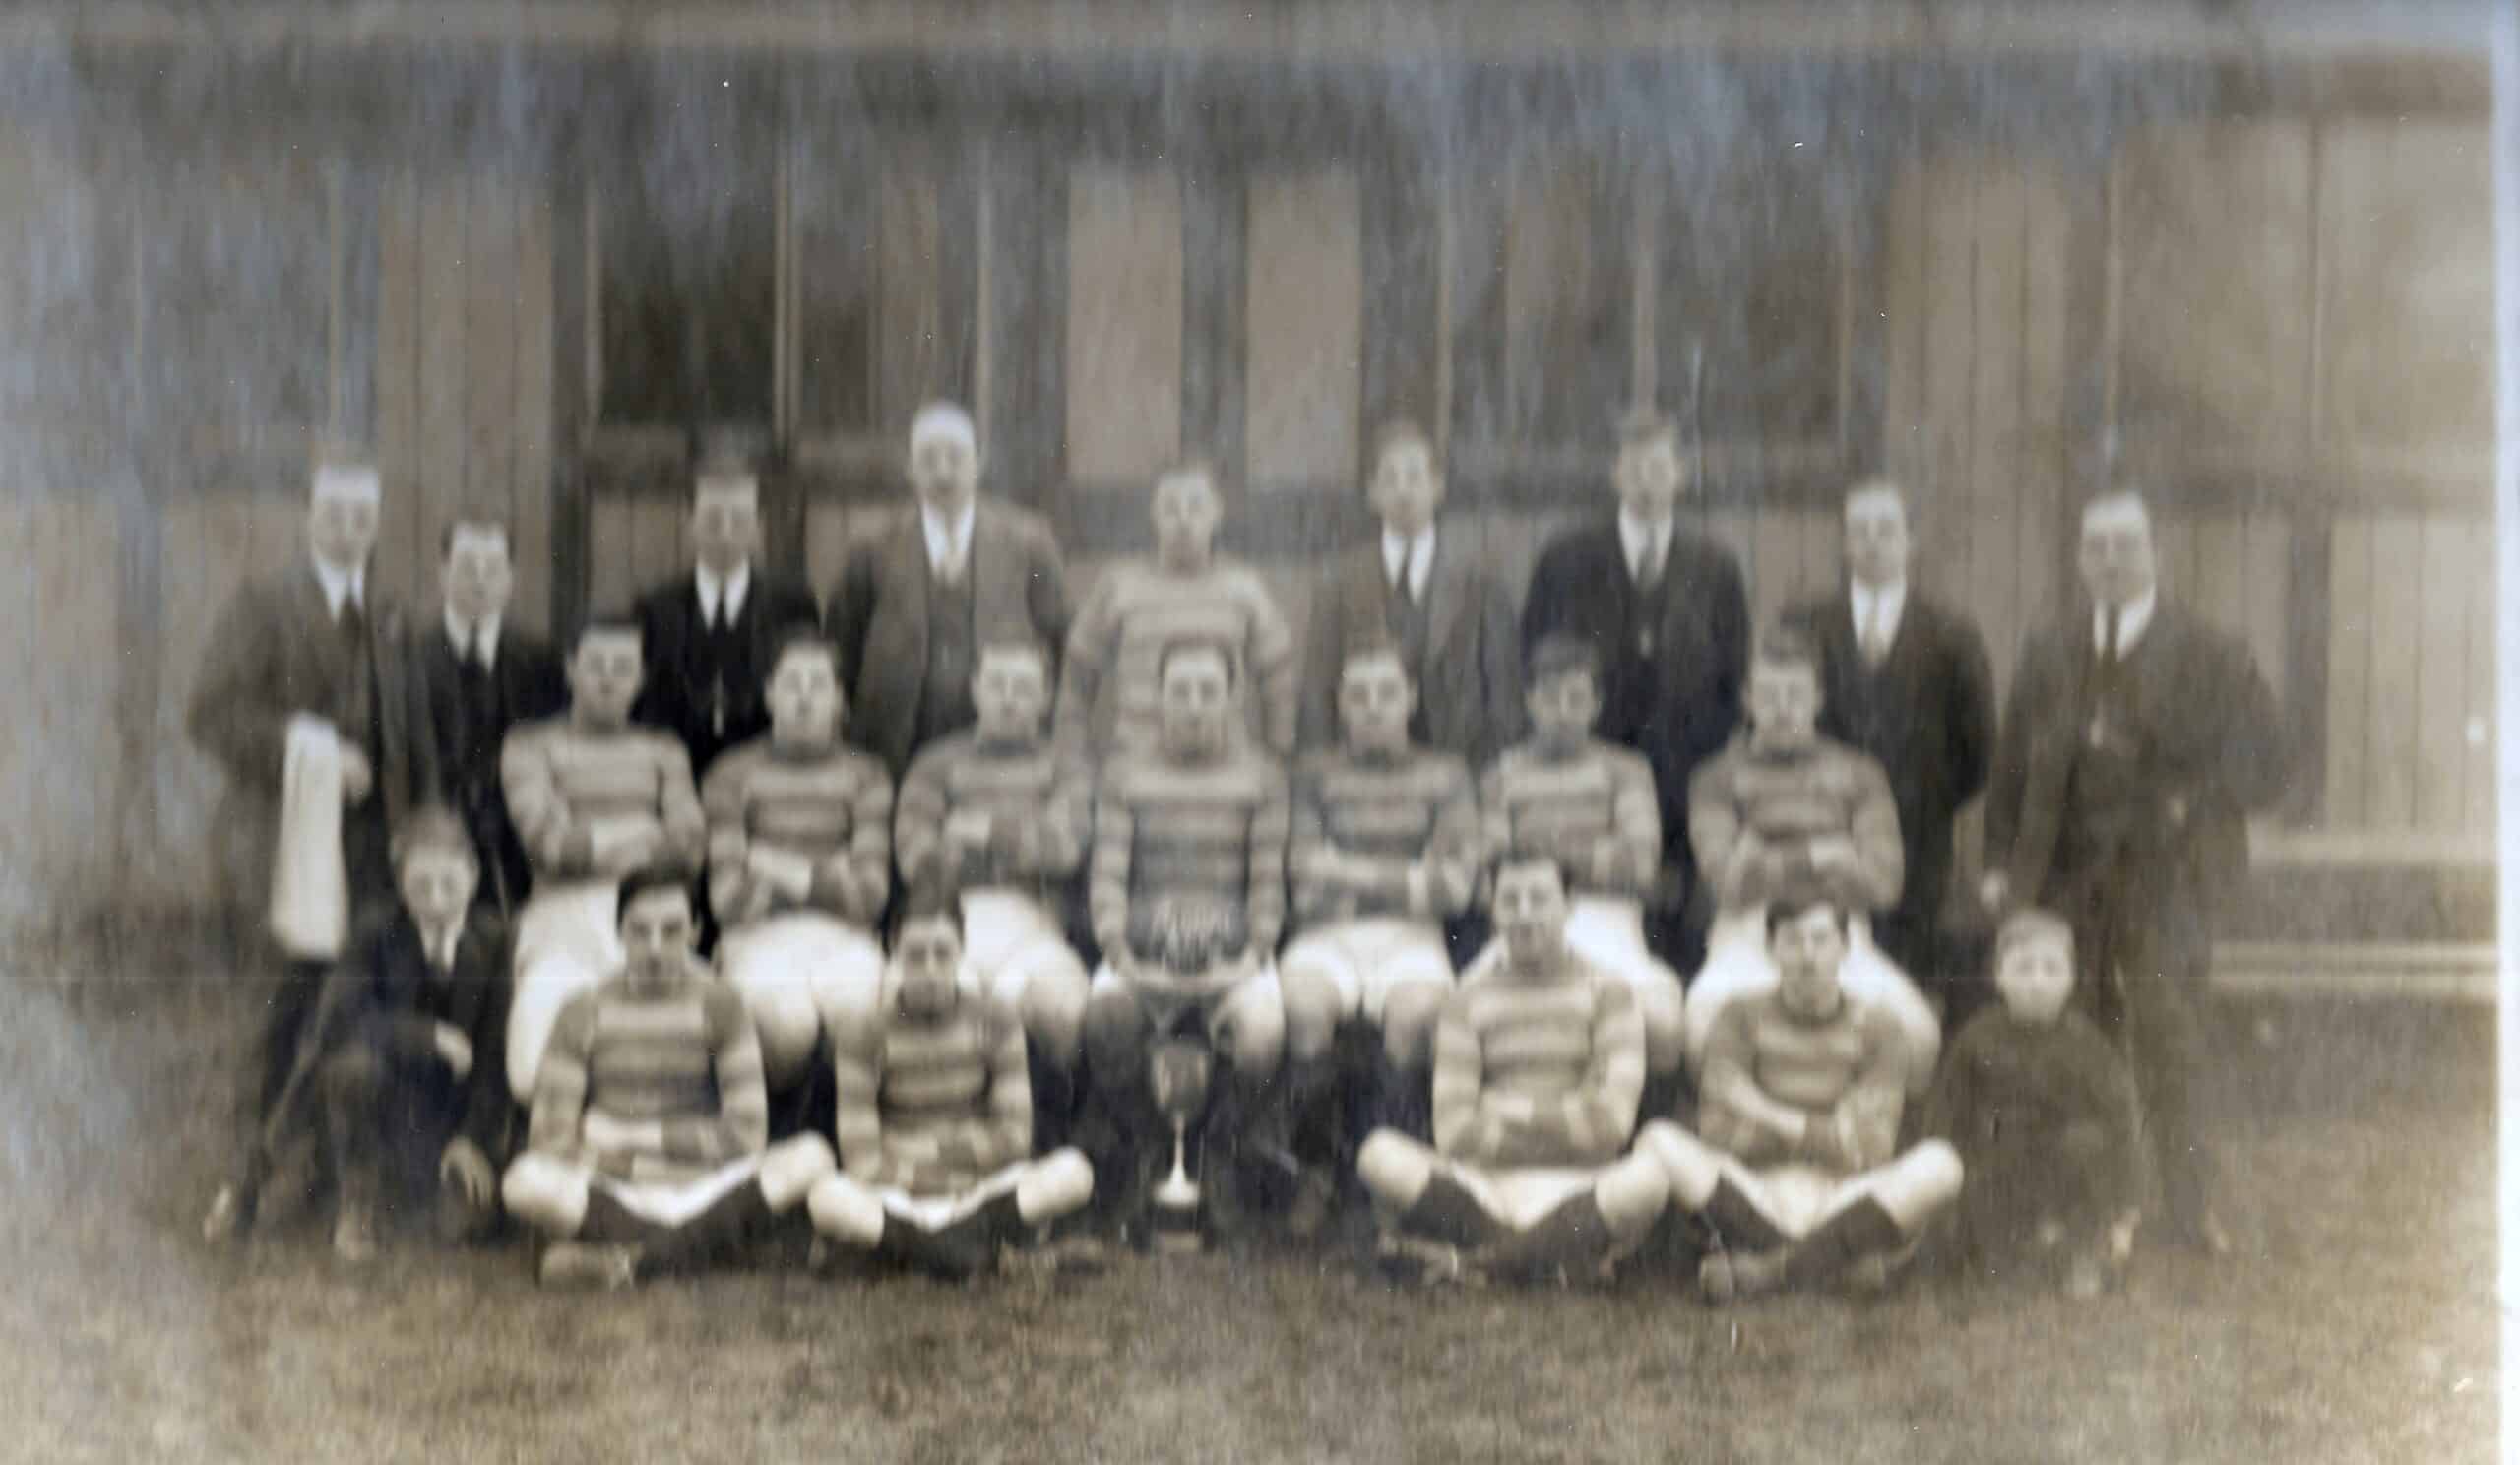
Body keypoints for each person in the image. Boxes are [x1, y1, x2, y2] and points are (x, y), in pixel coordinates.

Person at [1979, 487, 2286, 1255]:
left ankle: (2188, 1212)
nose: (2111, 560)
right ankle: (2075, 1211)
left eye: (2126, 544)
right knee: (2066, 1037)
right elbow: (2012, 765)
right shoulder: (2050, 650)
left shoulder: (2211, 651)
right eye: (2096, 547)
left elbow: (2270, 763)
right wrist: (1997, 866)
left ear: (2155, 551)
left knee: (2169, 1037)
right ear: (2081, 558)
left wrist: (2191, 804)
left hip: (2165, 881)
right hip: (2065, 881)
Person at [193, 452, 427, 1242]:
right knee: (273, 1014)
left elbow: (408, 740)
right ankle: (244, 1184)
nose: (349, 527)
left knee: (353, 1015)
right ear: (309, 516)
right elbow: (212, 714)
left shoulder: (392, 615)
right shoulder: (262, 606)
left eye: (364, 513)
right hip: (280, 846)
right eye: (334, 511)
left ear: (379, 520)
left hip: (366, 855)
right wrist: (312, 747)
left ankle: (348, 1189)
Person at [502, 864, 836, 1288]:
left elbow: (746, 1134)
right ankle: (713, 1247)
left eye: (672, 930)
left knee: (813, 1156)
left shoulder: (722, 1005)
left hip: (704, 1184)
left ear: (696, 931)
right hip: (618, 1186)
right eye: (640, 931)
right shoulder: (582, 1009)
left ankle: (634, 1263)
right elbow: (550, 1136)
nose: (655, 948)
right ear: (619, 932)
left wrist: (629, 1139)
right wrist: (636, 1167)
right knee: (523, 1181)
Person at [212, 806, 515, 1262]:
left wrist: (471, 1138)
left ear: (473, 877)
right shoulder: (376, 931)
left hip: (449, 1112)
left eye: (449, 884)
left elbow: (494, 1052)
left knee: (465, 1229)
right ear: (399, 882)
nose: (435, 900)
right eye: (420, 885)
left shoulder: (495, 940)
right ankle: (353, 1201)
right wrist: (427, 1036)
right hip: (380, 1094)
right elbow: (339, 1018)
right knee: (347, 1065)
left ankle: (433, 1176)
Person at [1355, 855, 1670, 1285]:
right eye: (1510, 901)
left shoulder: (1611, 993)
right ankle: (1554, 1257)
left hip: (1578, 1186)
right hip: (1487, 1186)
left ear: (1570, 905)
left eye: (1539, 899)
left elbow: (1611, 1126)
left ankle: (1476, 1263)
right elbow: (1454, 1132)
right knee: (1379, 1154)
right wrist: (1568, 1113)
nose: (1524, 915)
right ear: (1494, 911)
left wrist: (1501, 1110)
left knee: (1649, 1176)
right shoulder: (1466, 999)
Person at [1076, 633, 1292, 1240]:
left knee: (1262, 1035)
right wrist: (1122, 953)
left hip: (1232, 952)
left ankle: (1216, 1157)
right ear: (1158, 698)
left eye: (1208, 691)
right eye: (1181, 692)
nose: (1194, 705)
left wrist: (1251, 954)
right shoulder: (1124, 775)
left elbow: (1266, 882)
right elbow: (1109, 878)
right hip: (1144, 952)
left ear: (1232, 698)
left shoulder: (1263, 778)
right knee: (1105, 1020)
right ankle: (1147, 1154)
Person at [1643, 898, 1964, 1303]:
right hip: (1758, 1186)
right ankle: (1835, 1263)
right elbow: (1718, 1133)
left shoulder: (1880, 1026)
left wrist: (1764, 1111)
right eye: (1792, 941)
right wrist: (1829, 1132)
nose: (1807, 956)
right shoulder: (1738, 1016)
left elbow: (1869, 1151)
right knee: (1659, 1140)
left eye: (1821, 940)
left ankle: (1769, 1272)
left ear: (1845, 948)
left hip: (1842, 1194)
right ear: (1771, 949)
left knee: (1941, 1163)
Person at [1521, 410, 1749, 973]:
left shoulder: (1715, 566)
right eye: (1635, 468)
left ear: (1681, 475)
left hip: (1681, 772)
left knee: (1675, 925)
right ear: (1615, 476)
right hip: (1587, 778)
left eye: (1659, 467)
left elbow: (1733, 675)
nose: (1648, 481)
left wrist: (1702, 758)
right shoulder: (1566, 559)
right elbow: (1534, 657)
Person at [1681, 625, 1941, 1094]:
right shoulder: (1716, 778)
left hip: (1842, 936)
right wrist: (1828, 854)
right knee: (1704, 1027)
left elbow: (1884, 884)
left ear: (1818, 698)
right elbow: (1729, 885)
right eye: (1768, 694)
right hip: (1748, 934)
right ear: (1747, 698)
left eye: (1796, 694)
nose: (1782, 708)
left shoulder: (1860, 774)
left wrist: (1764, 854)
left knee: (1918, 1034)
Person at [1783, 478, 1995, 1010]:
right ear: (1844, 542)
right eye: (1860, 531)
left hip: (1917, 837)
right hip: (1822, 829)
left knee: (1907, 979)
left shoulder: (1952, 633)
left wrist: (1924, 798)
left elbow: (1978, 749)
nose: (1873, 542)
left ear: (1911, 540)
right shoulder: (1805, 626)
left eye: (1886, 530)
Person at [807, 893, 1097, 1280]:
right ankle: (973, 1248)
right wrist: (950, 1166)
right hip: (902, 1196)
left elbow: (1013, 1138)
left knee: (1074, 1172)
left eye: (942, 953)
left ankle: (922, 1250)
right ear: (892, 952)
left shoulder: (996, 1018)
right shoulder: (863, 1031)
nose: (929, 969)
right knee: (825, 1197)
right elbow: (861, 1158)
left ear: (961, 951)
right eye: (915, 955)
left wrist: (923, 1158)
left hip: (977, 1191)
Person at [1281, 644, 1481, 1191]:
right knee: (1301, 1012)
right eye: (1359, 696)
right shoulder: (1313, 774)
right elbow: (1302, 881)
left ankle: (1389, 1180)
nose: (1373, 708)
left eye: (1387, 694)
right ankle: (1315, 1173)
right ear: (1341, 705)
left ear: (1411, 700)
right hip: (1325, 937)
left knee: (1415, 1018)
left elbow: (1454, 888)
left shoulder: (1446, 775)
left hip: (1413, 940)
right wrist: (1409, 877)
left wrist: (1344, 872)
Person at [891, 637, 1093, 1148]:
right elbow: (916, 858)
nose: (1009, 698)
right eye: (998, 685)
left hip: (1034, 923)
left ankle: (1048, 1142)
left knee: (1066, 1011)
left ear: (1045, 697)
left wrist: (973, 829)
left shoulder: (1064, 767)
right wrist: (1022, 839)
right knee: (896, 1005)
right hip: (950, 923)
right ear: (975, 690)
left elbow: (1064, 849)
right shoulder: (935, 763)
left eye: (1024, 687)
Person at [498, 616, 707, 1099]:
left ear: (639, 679)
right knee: (533, 1070)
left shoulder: (663, 749)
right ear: (571, 670)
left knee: (686, 1046)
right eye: (595, 665)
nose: (609, 678)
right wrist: (644, 831)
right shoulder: (530, 744)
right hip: (563, 918)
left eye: (622, 667)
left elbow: (690, 848)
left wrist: (588, 840)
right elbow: (547, 846)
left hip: (649, 917)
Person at [1478, 636, 1687, 1109]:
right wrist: (1595, 854)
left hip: (1608, 920)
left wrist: (1535, 846)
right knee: (1459, 1013)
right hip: (1523, 917)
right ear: (1529, 701)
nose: (1563, 712)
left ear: (1596, 705)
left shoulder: (1626, 771)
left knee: (1662, 1019)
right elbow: (1490, 864)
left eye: (1577, 699)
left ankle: (1646, 1126)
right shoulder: (1502, 775)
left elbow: (1639, 864)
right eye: (1550, 699)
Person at [824, 401, 1075, 779]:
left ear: (979, 461)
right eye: (928, 458)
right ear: (909, 468)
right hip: (897, 736)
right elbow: (844, 640)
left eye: (955, 456)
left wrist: (1042, 715)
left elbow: (1059, 637)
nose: (943, 472)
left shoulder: (1028, 541)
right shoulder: (872, 546)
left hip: (999, 732)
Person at [701, 633, 894, 1097]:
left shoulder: (866, 775)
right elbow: (728, 901)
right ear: (769, 694)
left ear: (839, 699)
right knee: (786, 1026)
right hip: (757, 939)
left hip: (845, 939)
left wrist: (771, 864)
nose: (804, 697)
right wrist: (831, 874)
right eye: (791, 683)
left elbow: (868, 899)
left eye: (818, 684)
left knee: (858, 1022)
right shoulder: (731, 774)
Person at [1922, 909, 2140, 1299]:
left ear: (2070, 979)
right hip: (2000, 1162)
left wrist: (2125, 1215)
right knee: (1990, 1260)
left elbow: (2124, 1123)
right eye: (2023, 969)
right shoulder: (1977, 1038)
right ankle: (2014, 1243)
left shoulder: (2086, 1044)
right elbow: (1945, 1114)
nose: (2037, 982)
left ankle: (2081, 1250)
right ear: (1999, 978)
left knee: (2088, 1144)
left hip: (2066, 1167)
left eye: (2051, 969)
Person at [1296, 419, 1524, 771]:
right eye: (1390, 479)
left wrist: (1485, 774)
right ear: (1372, 493)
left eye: (1415, 477)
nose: (1403, 492)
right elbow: (1317, 690)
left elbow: (1504, 694)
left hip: (1459, 769)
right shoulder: (1339, 580)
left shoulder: (1481, 578)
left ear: (1438, 487)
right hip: (1363, 770)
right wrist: (1325, 772)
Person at [1055, 458, 1297, 763]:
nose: (1183, 520)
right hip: (1136, 759)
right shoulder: (1118, 586)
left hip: (1225, 762)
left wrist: (1278, 756)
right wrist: (1071, 762)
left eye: (1196, 507)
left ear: (1216, 513)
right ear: (1153, 515)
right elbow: (1077, 680)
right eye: (1171, 508)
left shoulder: (1245, 589)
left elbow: (1279, 682)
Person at [409, 513, 567, 917]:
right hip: (432, 838)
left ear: (511, 577)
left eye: (493, 569)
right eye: (466, 568)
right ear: (442, 572)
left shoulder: (542, 660)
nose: (480, 581)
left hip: (520, 843)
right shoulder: (408, 660)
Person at [631, 460, 821, 779]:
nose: (726, 533)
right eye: (712, 520)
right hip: (677, 772)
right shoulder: (655, 608)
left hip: (766, 774)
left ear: (759, 525)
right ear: (689, 521)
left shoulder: (792, 605)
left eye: (740, 520)